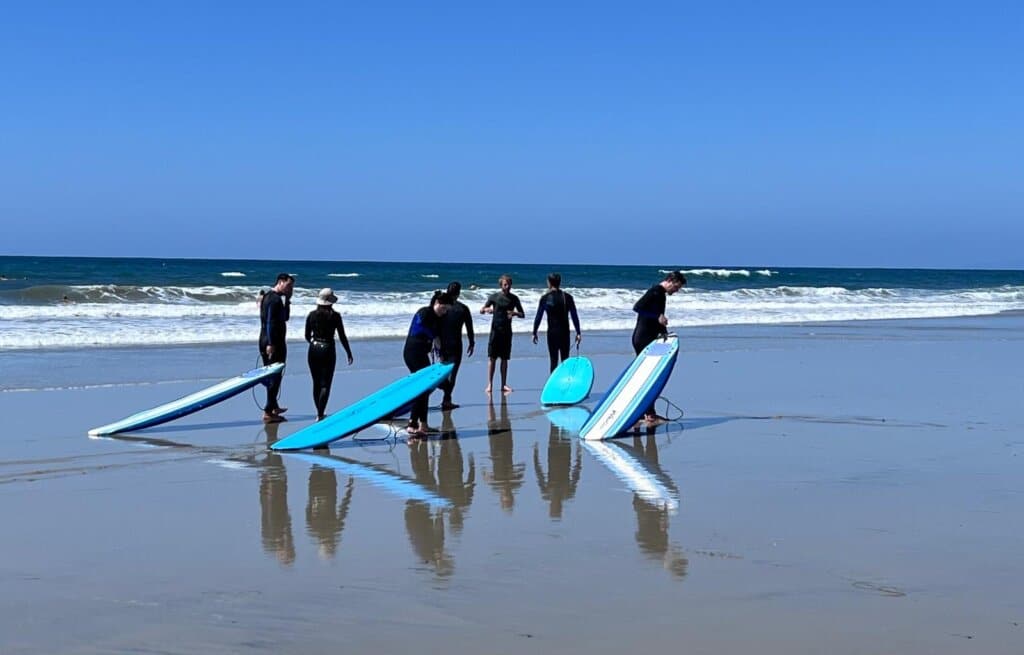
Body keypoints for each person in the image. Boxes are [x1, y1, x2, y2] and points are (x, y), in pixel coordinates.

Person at [632, 270, 686, 423]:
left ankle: (648, 412)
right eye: (676, 287)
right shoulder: (655, 291)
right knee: (647, 376)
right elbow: (637, 307)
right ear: (670, 281)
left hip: (650, 338)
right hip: (643, 338)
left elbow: (658, 319)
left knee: (651, 376)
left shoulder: (661, 294)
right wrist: (657, 316)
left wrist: (666, 334)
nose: (676, 291)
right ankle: (647, 413)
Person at [403, 290, 453, 436]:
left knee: (425, 389)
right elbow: (421, 328)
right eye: (444, 308)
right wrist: (434, 336)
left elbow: (437, 339)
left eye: (447, 310)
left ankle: (423, 425)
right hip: (412, 353)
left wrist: (441, 355)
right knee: (422, 388)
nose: (444, 312)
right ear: (437, 303)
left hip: (422, 353)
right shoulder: (424, 312)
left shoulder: (438, 318)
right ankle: (412, 424)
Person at [304, 288, 354, 421]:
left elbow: (307, 336)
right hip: (328, 349)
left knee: (316, 382)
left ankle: (318, 411)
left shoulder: (311, 315)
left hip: (313, 349)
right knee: (325, 384)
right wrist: (348, 351)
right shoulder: (335, 316)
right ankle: (320, 413)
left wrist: (314, 342)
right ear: (331, 301)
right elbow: (342, 336)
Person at [480, 274, 525, 394]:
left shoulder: (514, 298)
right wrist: (486, 310)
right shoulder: (494, 297)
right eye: (505, 284)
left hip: (507, 332)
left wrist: (514, 313)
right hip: (495, 330)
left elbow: (522, 314)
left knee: (505, 359)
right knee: (492, 358)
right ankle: (490, 384)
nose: (508, 286)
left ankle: (504, 384)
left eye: (509, 284)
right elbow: (482, 309)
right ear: (501, 285)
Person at [259, 273, 294, 422]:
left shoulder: (277, 298)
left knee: (276, 375)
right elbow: (269, 322)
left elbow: (285, 318)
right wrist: (271, 344)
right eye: (289, 285)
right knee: (274, 376)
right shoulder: (273, 299)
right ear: (280, 282)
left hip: (273, 341)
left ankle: (273, 405)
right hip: (271, 342)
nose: (290, 288)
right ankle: (268, 411)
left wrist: (288, 300)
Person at [531, 273, 582, 373]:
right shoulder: (568, 297)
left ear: (549, 283)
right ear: (559, 282)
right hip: (564, 332)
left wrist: (534, 332)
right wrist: (578, 332)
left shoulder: (545, 298)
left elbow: (539, 316)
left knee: (553, 360)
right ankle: (566, 383)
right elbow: (574, 316)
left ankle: (554, 385)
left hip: (552, 333)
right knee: (565, 360)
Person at [438, 281, 475, 410]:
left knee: (442, 373)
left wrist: (432, 342)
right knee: (452, 374)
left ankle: (439, 392)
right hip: (455, 345)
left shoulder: (441, 307)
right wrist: (471, 342)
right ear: (459, 293)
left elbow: (434, 325)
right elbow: (469, 327)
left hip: (441, 344)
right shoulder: (463, 308)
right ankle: (446, 400)